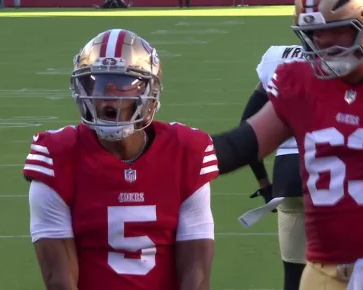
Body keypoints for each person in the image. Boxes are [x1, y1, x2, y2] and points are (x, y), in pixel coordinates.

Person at [212, 0, 363, 289]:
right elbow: (242, 145)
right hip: (324, 267)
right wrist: (173, 153)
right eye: (315, 33)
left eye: (337, 30)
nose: (323, 41)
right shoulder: (300, 83)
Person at [24, 29, 218, 290]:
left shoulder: (186, 152)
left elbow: (196, 275)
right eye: (96, 82)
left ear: (151, 92)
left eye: (122, 83)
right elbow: (59, 280)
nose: (107, 95)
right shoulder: (55, 157)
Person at [241, 45, 305, 290]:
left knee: (294, 275)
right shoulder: (346, 56)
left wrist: (265, 184)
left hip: (286, 178)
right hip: (331, 177)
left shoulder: (276, 57)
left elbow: (245, 127)